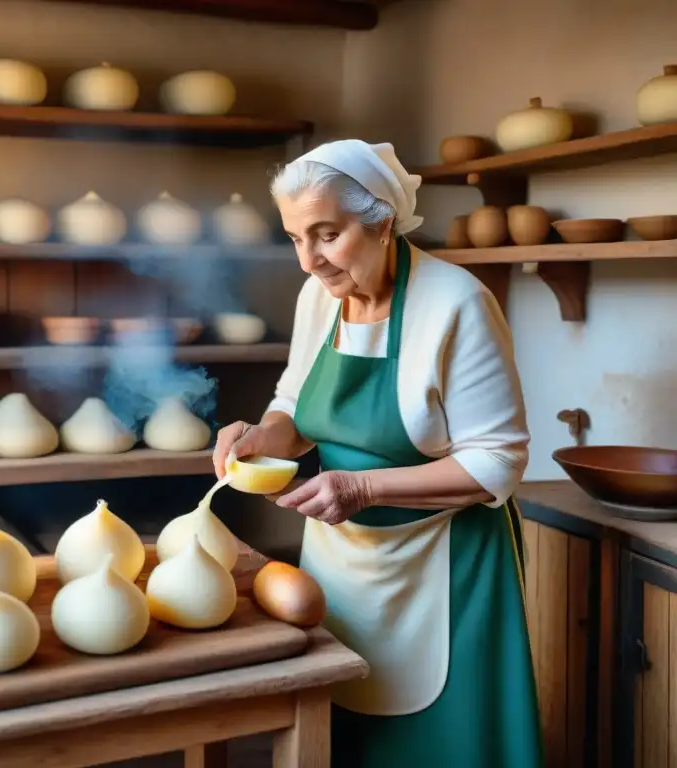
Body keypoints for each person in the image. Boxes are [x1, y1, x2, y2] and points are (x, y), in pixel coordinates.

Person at [212, 139, 542, 767]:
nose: (309, 260)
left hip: (443, 565)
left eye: (326, 235)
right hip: (340, 562)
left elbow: (496, 463)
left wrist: (363, 489)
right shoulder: (319, 298)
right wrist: (262, 436)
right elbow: (296, 407)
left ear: (381, 221)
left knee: (447, 744)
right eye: (295, 238)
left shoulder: (458, 304)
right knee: (338, 732)